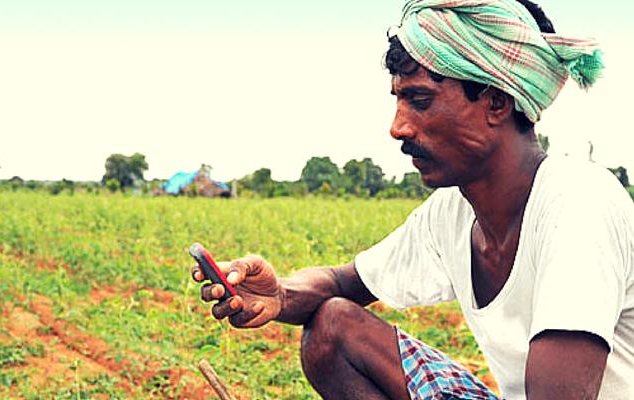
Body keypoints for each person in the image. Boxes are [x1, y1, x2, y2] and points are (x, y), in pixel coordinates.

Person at [192, 0, 634, 398]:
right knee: (333, 328)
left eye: (419, 100)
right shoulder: (454, 212)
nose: (398, 127)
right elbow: (346, 284)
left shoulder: (578, 204)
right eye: (399, 101)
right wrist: (280, 295)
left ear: (497, 103)